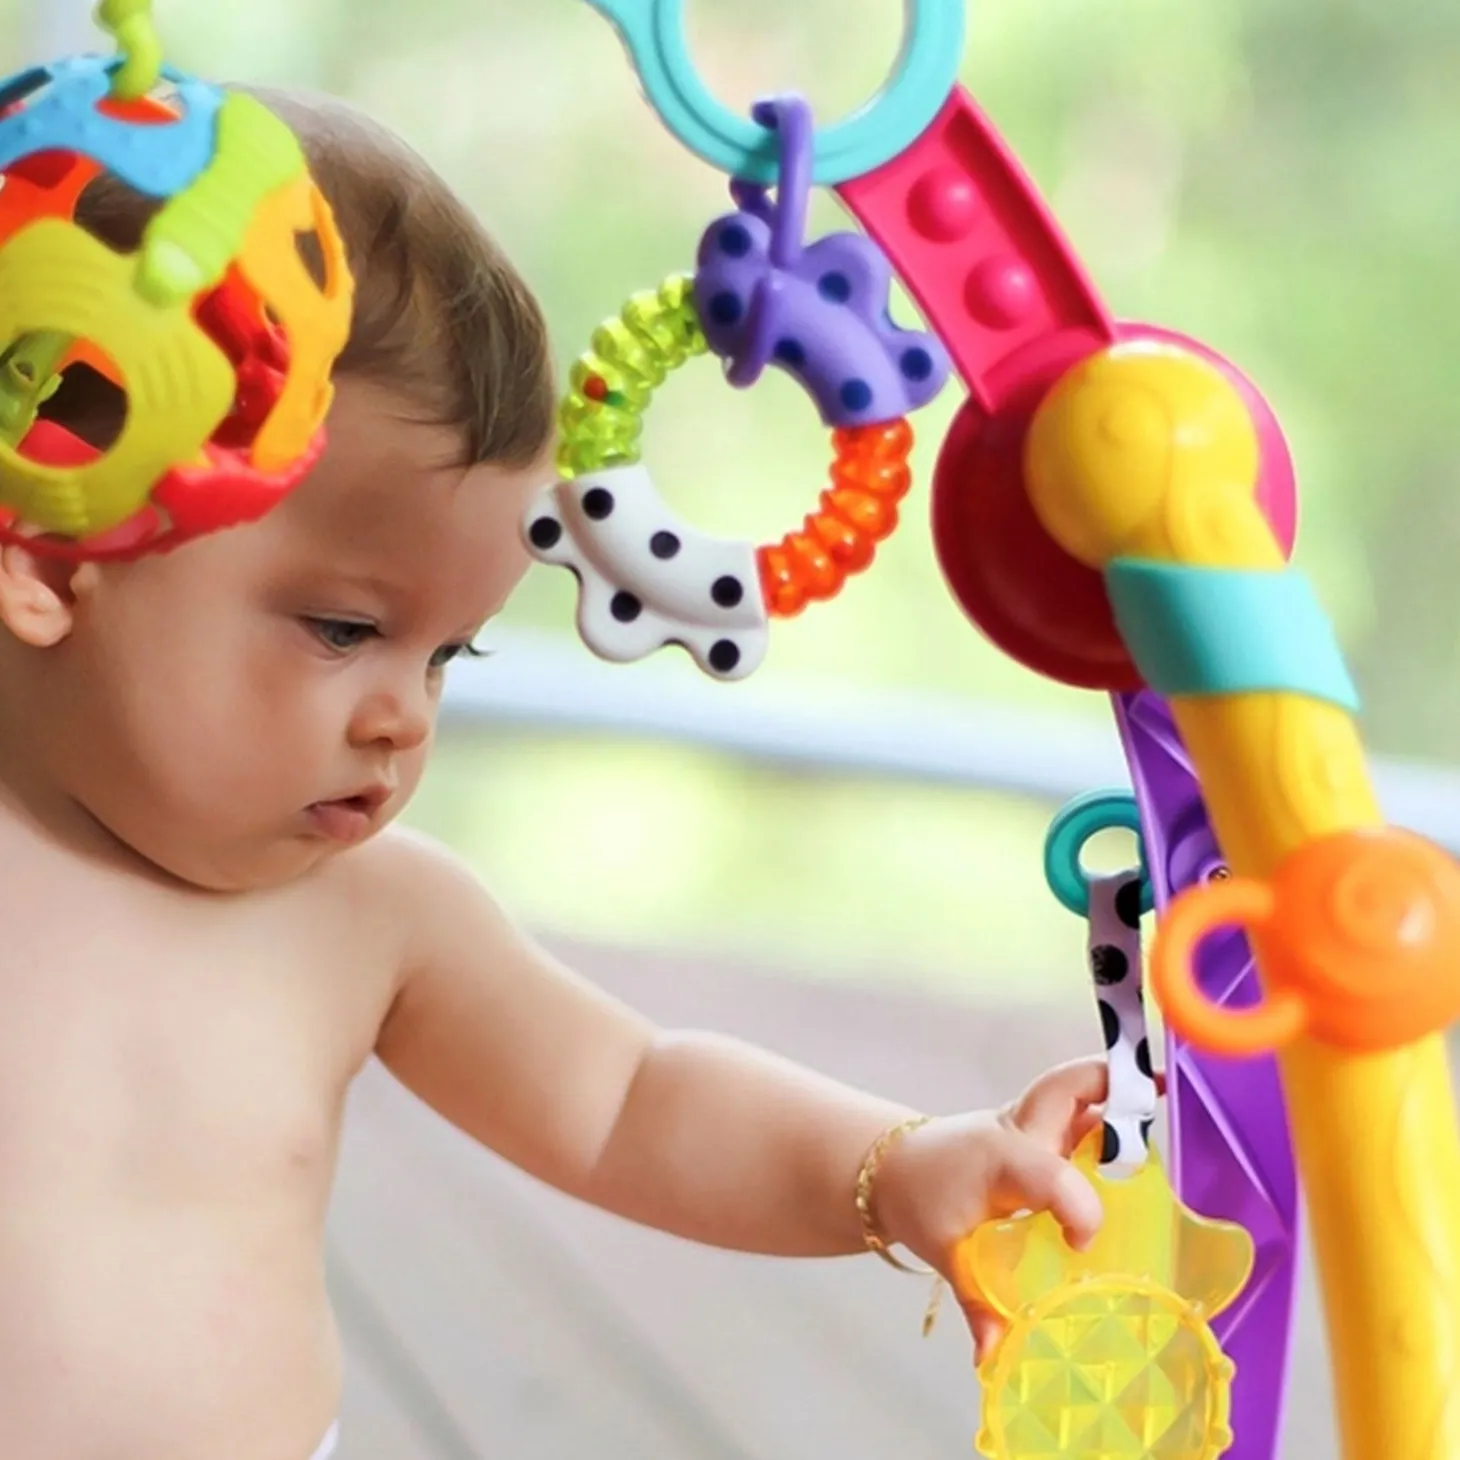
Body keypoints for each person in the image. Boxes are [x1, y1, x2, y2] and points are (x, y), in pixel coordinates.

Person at [0, 86, 1111, 1460]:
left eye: (447, 653)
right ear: (51, 560)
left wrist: (890, 1168)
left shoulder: (372, 917)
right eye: (342, 629)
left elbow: (631, 1099)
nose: (403, 715)